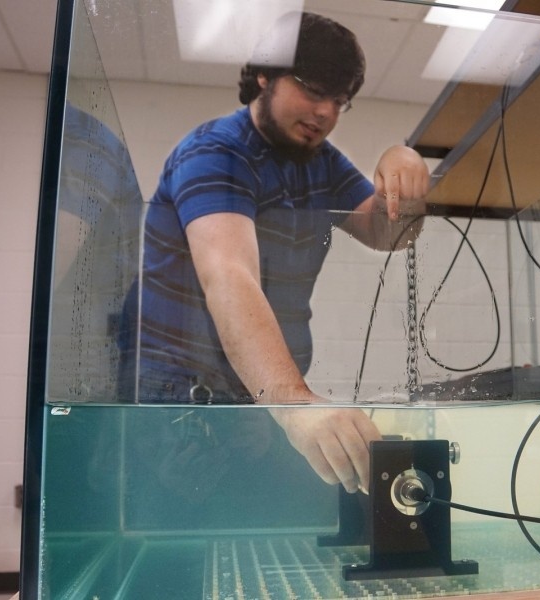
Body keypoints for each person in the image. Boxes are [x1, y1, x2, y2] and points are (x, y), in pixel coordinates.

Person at [132, 11, 429, 495]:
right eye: (313, 90)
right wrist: (294, 404)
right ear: (264, 78)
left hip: (258, 391)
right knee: (184, 538)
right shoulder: (216, 152)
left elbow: (390, 235)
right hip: (179, 400)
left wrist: (406, 169)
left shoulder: (323, 164)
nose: (326, 112)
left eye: (339, 100)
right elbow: (229, 275)